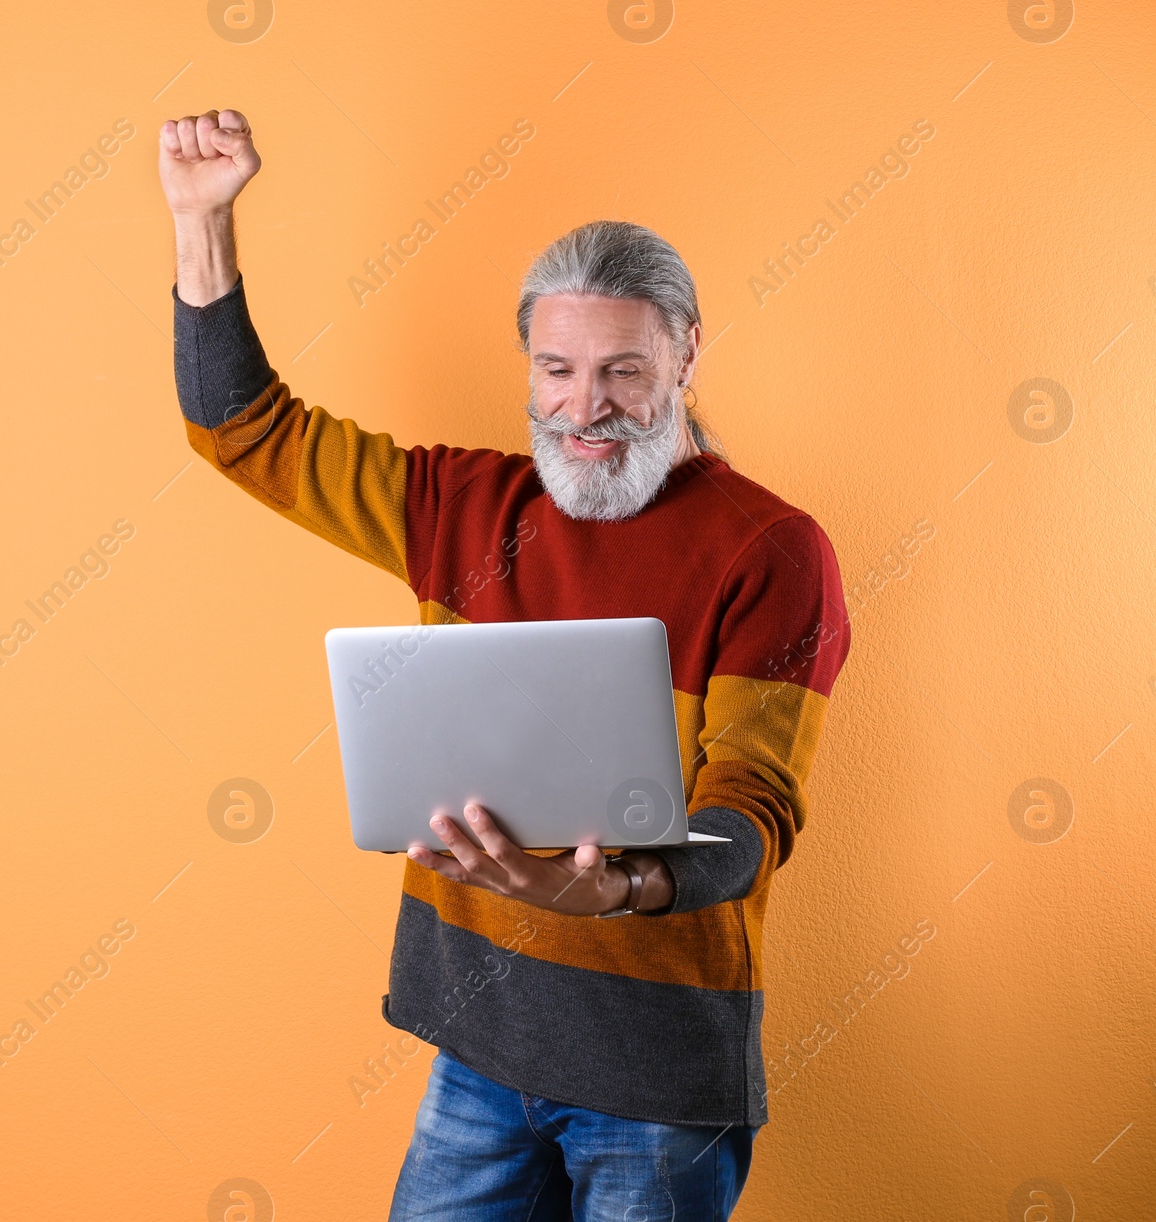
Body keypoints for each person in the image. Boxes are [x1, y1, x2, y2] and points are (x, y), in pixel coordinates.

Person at [160, 108, 851, 1221]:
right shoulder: (460, 506)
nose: (586, 409)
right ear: (528, 366)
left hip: (655, 1083)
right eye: (558, 369)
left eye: (624, 370)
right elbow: (246, 432)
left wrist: (612, 882)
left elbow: (752, 808)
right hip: (479, 1045)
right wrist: (202, 223)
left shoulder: (770, 552)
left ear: (687, 352)